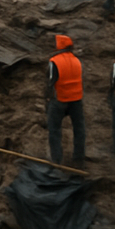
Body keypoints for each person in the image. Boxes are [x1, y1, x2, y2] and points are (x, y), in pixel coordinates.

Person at [46, 34, 86, 165]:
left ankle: (56, 160)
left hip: (60, 99)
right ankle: (79, 158)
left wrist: (47, 99)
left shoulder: (54, 61)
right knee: (79, 129)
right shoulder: (77, 60)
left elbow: (50, 82)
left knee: (54, 130)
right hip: (76, 99)